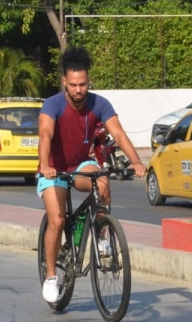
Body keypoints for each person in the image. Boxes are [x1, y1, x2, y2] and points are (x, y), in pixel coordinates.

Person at [36, 46, 146, 303]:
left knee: (103, 183)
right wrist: (44, 164)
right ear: (64, 81)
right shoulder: (52, 105)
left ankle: (103, 238)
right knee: (57, 219)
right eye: (73, 85)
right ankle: (51, 275)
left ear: (89, 81)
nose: (78, 90)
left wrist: (136, 161)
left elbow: (118, 133)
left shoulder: (100, 103)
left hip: (80, 164)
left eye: (83, 84)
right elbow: (45, 134)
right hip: (53, 168)